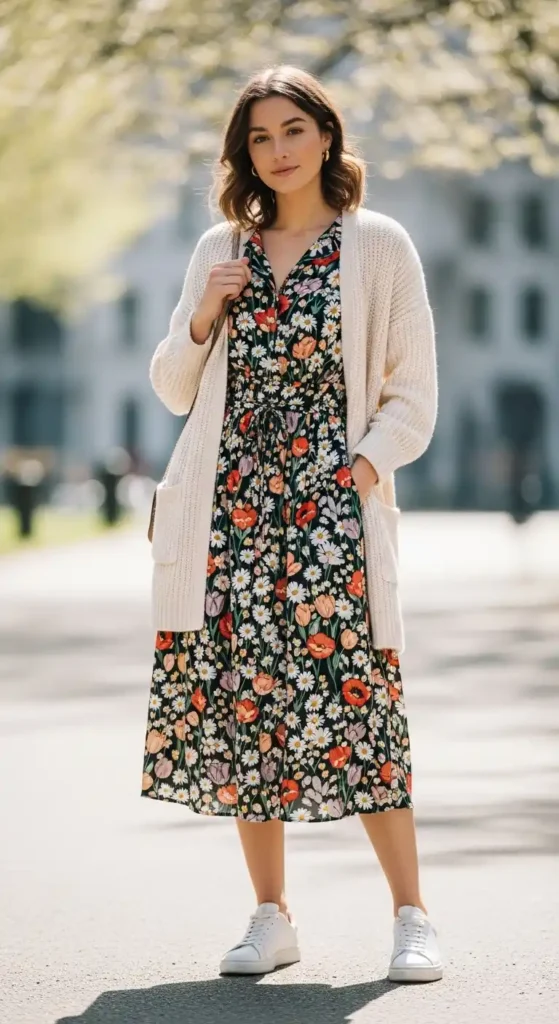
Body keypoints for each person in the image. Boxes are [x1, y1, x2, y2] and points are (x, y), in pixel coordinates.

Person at [142, 64, 441, 983]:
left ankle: (411, 916)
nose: (276, 151)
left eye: (292, 131)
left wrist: (353, 470)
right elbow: (171, 389)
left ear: (326, 136)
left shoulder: (377, 245)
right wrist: (202, 314)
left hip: (327, 513)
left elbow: (410, 394)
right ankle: (271, 917)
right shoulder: (218, 248)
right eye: (259, 138)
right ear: (244, 153)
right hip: (228, 509)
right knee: (246, 710)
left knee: (360, 704)